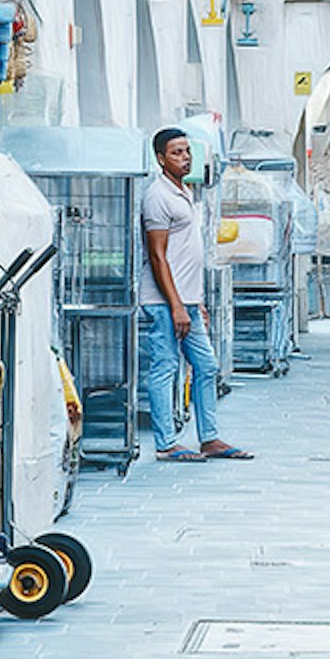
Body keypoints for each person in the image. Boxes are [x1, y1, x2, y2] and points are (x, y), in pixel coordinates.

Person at [138, 124, 246, 462]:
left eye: (187, 151)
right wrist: (175, 306)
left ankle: (209, 438)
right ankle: (166, 443)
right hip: (163, 302)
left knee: (207, 365)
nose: (185, 158)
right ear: (160, 159)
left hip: (185, 300)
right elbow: (158, 256)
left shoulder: (184, 190)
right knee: (165, 367)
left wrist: (195, 301)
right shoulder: (157, 196)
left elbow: (184, 253)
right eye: (176, 153)